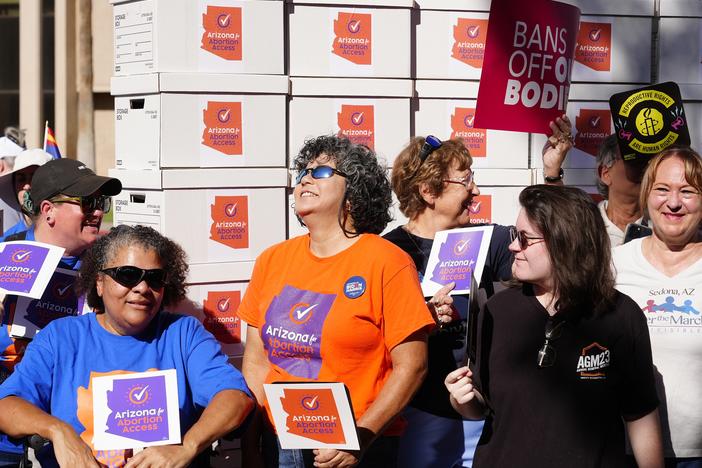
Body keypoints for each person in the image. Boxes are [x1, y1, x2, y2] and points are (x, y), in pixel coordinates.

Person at [383, 115, 573, 468]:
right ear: (428, 191)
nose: (476, 191)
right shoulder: (389, 252)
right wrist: (419, 320)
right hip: (419, 415)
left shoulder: (491, 239)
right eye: (465, 180)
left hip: (483, 415)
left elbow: (556, 246)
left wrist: (551, 173)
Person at [239, 135, 434, 468]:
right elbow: (257, 362)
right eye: (303, 171)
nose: (306, 178)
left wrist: (362, 436)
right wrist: (251, 442)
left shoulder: (388, 262)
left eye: (322, 171)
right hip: (280, 443)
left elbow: (412, 366)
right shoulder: (272, 260)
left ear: (354, 189)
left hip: (356, 446)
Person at [446, 185, 663, 468]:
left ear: (565, 242)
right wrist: (462, 400)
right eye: (515, 235)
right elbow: (480, 407)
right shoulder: (497, 311)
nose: (513, 246)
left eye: (524, 239)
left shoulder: (621, 315)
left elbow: (640, 414)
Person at [0, 224, 254, 467]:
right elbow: (7, 405)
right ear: (99, 282)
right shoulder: (60, 337)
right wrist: (57, 431)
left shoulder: (183, 334)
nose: (142, 288)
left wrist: (188, 446)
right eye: (128, 275)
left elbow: (235, 397)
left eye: (155, 278)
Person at [0, 158, 122, 466]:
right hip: (7, 442)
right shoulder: (5, 257)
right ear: (48, 211)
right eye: (87, 202)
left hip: (84, 440)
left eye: (101, 202)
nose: (97, 211)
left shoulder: (113, 270)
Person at [612, 147, 702, 466]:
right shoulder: (613, 265)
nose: (674, 203)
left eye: (688, 192)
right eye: (662, 189)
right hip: (621, 450)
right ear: (647, 194)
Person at [595, 134, 648, 246]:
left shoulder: (665, 225)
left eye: (648, 160)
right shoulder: (584, 225)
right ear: (606, 174)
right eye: (633, 158)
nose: (644, 168)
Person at [0, 149, 53, 240]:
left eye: (35, 178)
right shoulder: (7, 240)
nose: (27, 186)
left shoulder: (68, 233)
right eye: (21, 179)